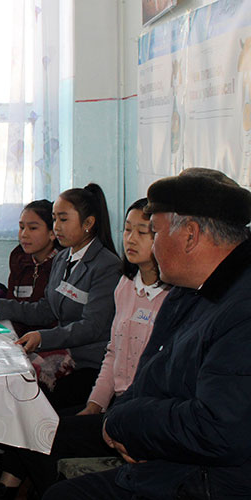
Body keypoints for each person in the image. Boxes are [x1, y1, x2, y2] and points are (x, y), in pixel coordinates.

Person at [45, 168, 251, 499]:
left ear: (190, 235)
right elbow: (151, 372)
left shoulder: (241, 311)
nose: (151, 246)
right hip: (167, 456)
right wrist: (127, 423)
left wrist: (129, 422)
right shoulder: (189, 291)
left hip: (209, 482)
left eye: (154, 232)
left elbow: (219, 430)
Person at [0, 198, 170, 499]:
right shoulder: (127, 284)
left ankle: (17, 485)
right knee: (33, 427)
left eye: (143, 232)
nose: (130, 239)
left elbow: (97, 331)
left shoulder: (169, 294)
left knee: (37, 428)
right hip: (113, 400)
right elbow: (115, 351)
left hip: (133, 405)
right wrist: (95, 405)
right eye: (127, 230)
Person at [0, 183, 121, 410]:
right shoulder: (63, 258)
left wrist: (42, 337)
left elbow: (92, 327)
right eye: (55, 219)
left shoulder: (106, 266)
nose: (57, 227)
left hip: (89, 366)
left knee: (27, 399)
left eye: (64, 219)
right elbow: (46, 308)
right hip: (65, 356)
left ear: (88, 223)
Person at [3, 199, 61, 336]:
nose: (24, 235)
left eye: (33, 228)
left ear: (52, 233)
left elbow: (49, 316)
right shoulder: (18, 258)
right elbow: (12, 304)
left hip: (49, 339)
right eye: (22, 227)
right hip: (20, 338)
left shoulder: (62, 264)